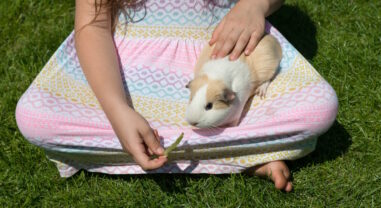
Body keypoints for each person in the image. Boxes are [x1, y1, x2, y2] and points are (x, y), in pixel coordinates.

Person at [15, 0, 338, 192]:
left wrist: (253, 6)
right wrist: (117, 110)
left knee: (316, 111)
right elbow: (94, 26)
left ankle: (132, 154)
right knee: (37, 120)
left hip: (220, 56)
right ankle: (242, 154)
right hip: (123, 65)